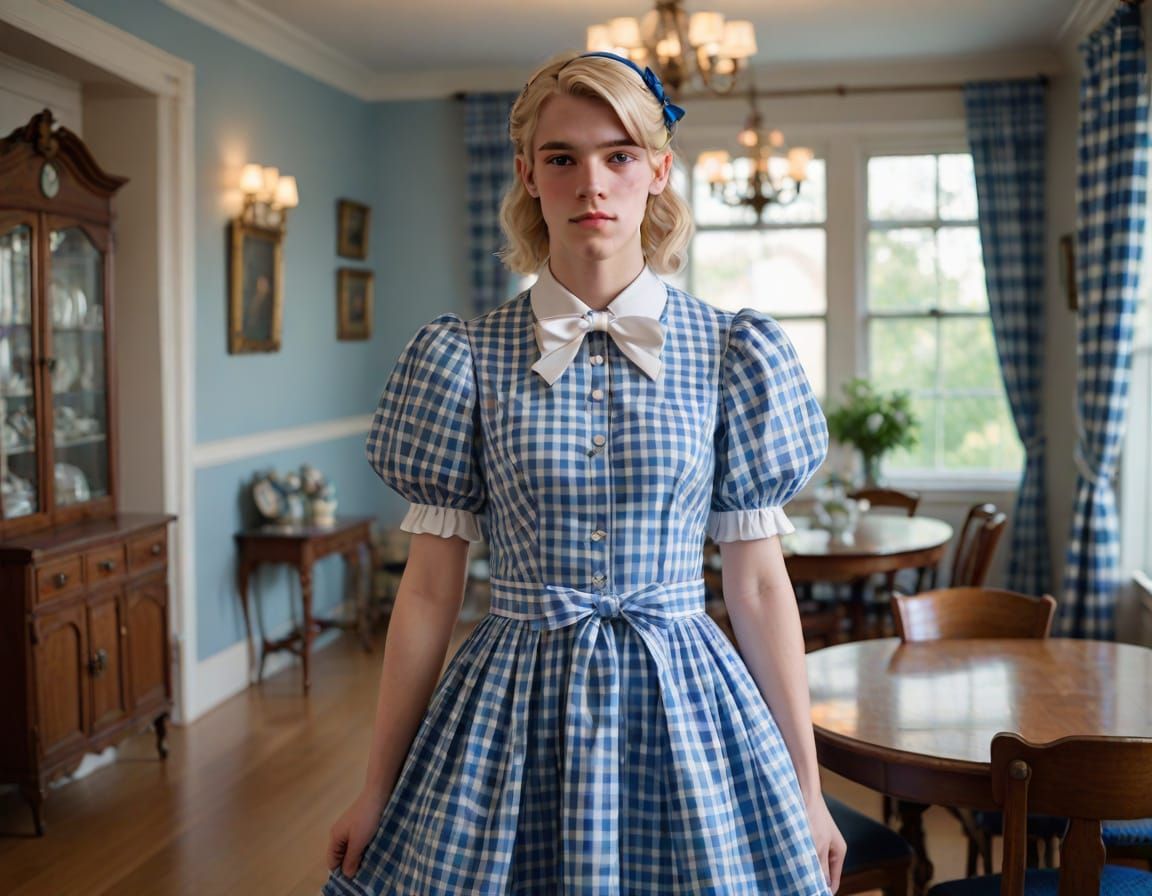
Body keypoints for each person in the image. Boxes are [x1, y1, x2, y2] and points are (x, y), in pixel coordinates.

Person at [324, 50, 845, 895]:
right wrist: (374, 788)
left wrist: (809, 791)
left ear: (658, 171)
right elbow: (426, 594)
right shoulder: (462, 359)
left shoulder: (731, 355)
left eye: (619, 156)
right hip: (510, 715)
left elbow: (756, 590)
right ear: (529, 174)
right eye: (562, 158)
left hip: (686, 714)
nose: (591, 183)